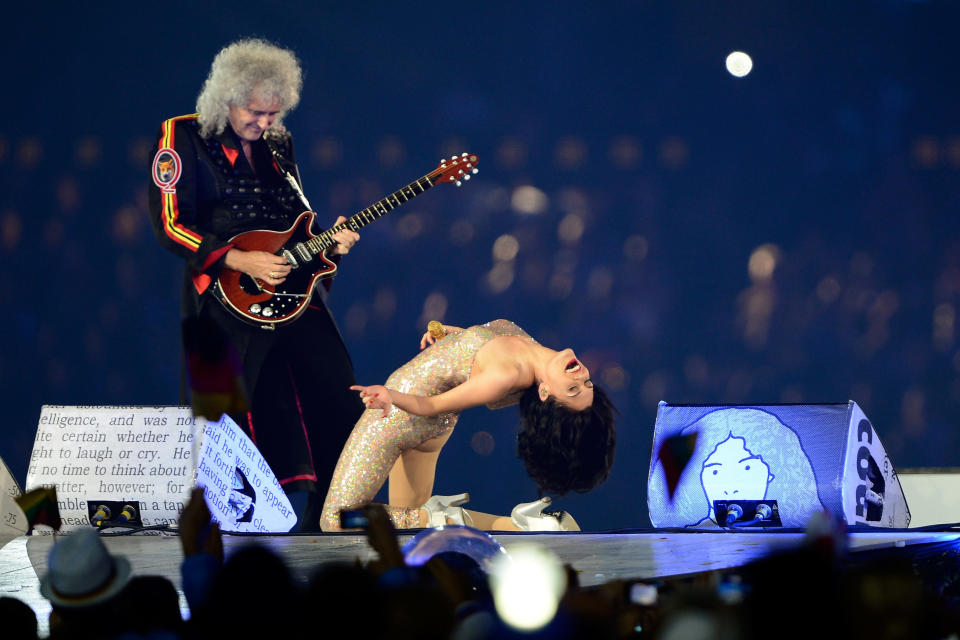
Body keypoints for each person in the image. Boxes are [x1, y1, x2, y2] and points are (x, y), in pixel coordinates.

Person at [148, 38, 364, 531]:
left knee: (334, 383)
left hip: (289, 289)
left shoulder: (279, 144)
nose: (264, 122)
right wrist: (241, 259)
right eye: (255, 111)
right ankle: (237, 515)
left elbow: (294, 218)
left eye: (273, 113)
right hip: (224, 296)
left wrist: (329, 244)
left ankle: (334, 508)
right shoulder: (181, 137)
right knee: (240, 408)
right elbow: (171, 224)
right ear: (226, 96)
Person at [320, 319, 617, 531]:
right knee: (411, 537)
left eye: (573, 390)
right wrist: (457, 339)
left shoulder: (508, 374)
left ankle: (447, 519)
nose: (580, 377)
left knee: (337, 519)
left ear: (545, 393)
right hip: (427, 427)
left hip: (401, 416)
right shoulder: (530, 352)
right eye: (586, 384)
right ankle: (520, 526)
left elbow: (429, 405)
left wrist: (390, 396)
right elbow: (482, 350)